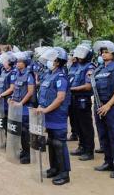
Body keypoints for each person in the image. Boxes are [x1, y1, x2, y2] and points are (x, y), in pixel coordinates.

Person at [37, 47, 71, 185]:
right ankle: (54, 168)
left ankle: (64, 173)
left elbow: (60, 98)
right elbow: (44, 95)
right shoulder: (49, 75)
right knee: (51, 142)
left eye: (52, 59)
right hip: (48, 115)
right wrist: (41, 106)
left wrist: (46, 110)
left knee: (59, 143)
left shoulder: (61, 77)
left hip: (57, 115)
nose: (49, 61)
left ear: (57, 62)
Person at [92, 41, 114, 178]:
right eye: (102, 52)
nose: (103, 54)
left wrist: (108, 105)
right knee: (103, 135)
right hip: (98, 106)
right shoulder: (98, 69)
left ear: (113, 54)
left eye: (106, 52)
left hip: (109, 107)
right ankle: (108, 162)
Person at [69, 44, 96, 161]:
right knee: (78, 125)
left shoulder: (90, 67)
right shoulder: (79, 66)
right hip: (75, 99)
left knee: (86, 126)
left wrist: (71, 89)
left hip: (83, 100)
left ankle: (89, 151)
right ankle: (81, 146)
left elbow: (88, 86)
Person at [10, 51, 37, 164]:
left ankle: (29, 154)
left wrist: (21, 102)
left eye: (20, 61)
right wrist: (12, 98)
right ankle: (24, 151)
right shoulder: (18, 74)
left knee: (26, 131)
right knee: (20, 130)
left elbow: (30, 92)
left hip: (26, 107)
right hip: (17, 106)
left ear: (25, 63)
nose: (17, 63)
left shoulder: (29, 75)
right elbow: (16, 88)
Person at [67, 55, 79, 141]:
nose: (72, 57)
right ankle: (74, 133)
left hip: (77, 94)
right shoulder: (70, 67)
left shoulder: (80, 66)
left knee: (77, 115)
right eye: (72, 56)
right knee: (71, 114)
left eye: (74, 56)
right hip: (70, 94)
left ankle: (77, 133)